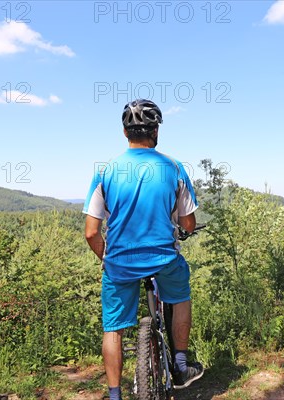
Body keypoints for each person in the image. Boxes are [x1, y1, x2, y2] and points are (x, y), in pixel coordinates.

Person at [83, 99, 204, 400]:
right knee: (181, 295)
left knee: (113, 329)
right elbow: (188, 223)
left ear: (125, 133)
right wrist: (182, 229)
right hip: (163, 257)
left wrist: (107, 258)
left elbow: (91, 232)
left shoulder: (107, 171)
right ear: (155, 131)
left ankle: (114, 395)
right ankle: (180, 365)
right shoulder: (172, 167)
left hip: (120, 263)